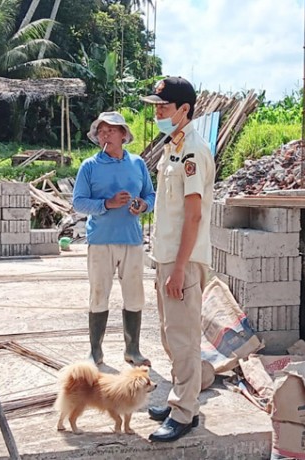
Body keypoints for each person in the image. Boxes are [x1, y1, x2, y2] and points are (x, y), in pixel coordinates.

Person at [140, 77, 215, 443]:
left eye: (163, 107)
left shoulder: (193, 152)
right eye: (155, 106)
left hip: (181, 260)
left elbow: (194, 215)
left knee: (184, 338)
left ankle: (185, 412)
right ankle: (180, 401)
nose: (157, 112)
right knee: (172, 336)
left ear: (184, 110)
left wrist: (181, 267)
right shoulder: (174, 146)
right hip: (167, 257)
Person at [72, 111, 155, 367]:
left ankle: (133, 350)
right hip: (101, 241)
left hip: (131, 239)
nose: (104, 135)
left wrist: (141, 206)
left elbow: (150, 196)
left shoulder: (137, 164)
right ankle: (95, 351)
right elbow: (78, 202)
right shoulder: (89, 167)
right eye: (101, 131)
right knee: (99, 293)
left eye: (110, 130)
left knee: (134, 295)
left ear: (123, 135)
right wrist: (106, 204)